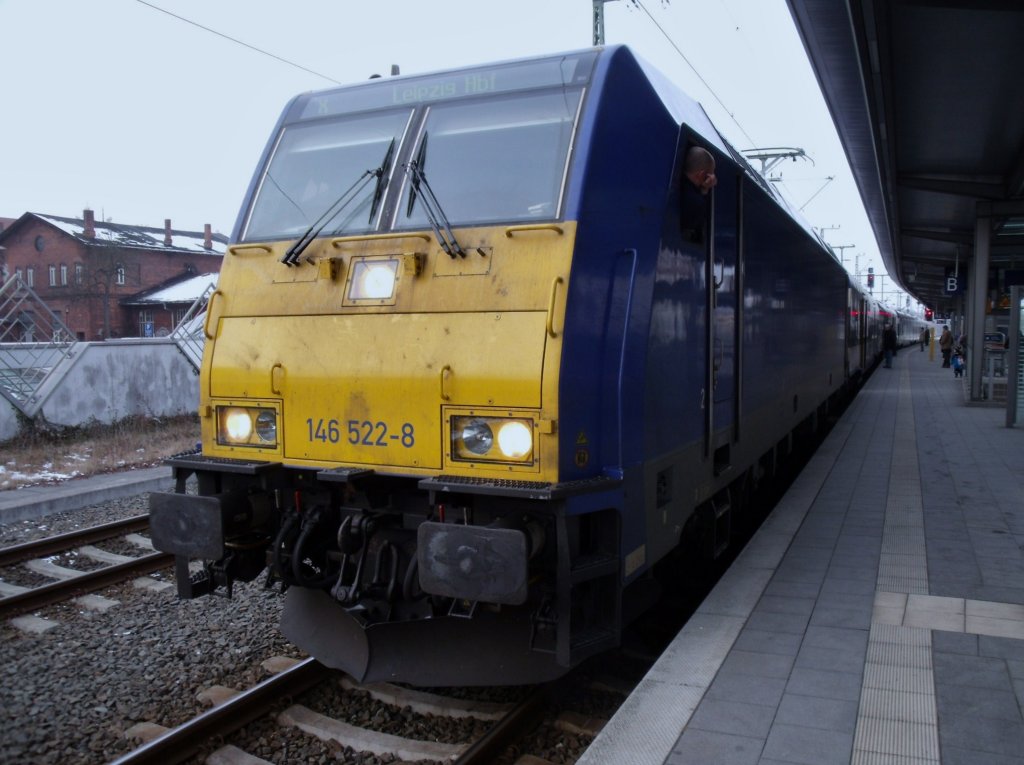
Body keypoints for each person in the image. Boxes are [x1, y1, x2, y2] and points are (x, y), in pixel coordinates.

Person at [681, 146, 717, 245]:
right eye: (710, 175)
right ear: (701, 175)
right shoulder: (695, 202)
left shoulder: (679, 185)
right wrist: (705, 190)